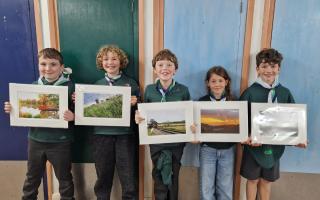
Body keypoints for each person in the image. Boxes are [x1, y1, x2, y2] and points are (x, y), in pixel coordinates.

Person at [4, 48, 75, 200]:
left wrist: (73, 116)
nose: (48, 68)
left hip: (60, 142)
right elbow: (24, 109)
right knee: (32, 178)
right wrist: (13, 109)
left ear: (61, 67)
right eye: (43, 64)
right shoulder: (31, 87)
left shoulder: (71, 88)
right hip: (36, 140)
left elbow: (81, 115)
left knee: (64, 179)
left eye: (53, 64)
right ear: (38, 66)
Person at [240, 48, 307, 200]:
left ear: (279, 68)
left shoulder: (284, 93)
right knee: (252, 180)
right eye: (264, 66)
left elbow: (294, 119)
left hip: (274, 147)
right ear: (257, 69)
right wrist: (247, 135)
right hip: (253, 148)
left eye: (273, 66)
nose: (268, 70)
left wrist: (299, 138)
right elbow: (241, 120)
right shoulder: (250, 92)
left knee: (267, 181)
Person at [136, 49, 190, 200]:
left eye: (169, 65)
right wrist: (138, 117)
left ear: (175, 69)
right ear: (154, 69)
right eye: (160, 65)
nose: (164, 68)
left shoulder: (183, 90)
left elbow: (189, 114)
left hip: (176, 143)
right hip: (156, 142)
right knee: (158, 175)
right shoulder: (149, 90)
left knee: (173, 176)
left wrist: (191, 127)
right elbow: (142, 112)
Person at [92, 45, 139, 200]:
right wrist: (78, 100)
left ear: (121, 61)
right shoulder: (96, 85)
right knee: (103, 174)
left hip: (124, 135)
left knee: (128, 174)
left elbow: (140, 111)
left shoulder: (131, 83)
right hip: (101, 135)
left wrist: (135, 103)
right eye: (106, 59)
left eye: (114, 59)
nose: (110, 62)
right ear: (101, 62)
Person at [198, 66, 235, 200]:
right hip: (207, 150)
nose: (217, 84)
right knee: (206, 187)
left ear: (226, 82)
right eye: (213, 81)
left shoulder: (234, 103)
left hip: (228, 150)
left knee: (225, 187)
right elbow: (196, 126)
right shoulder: (201, 102)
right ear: (208, 83)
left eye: (220, 80)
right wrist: (194, 132)